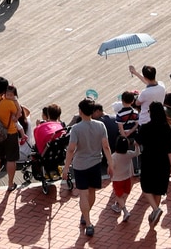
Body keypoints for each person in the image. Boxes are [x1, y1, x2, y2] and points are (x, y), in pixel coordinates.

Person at [65, 97, 114, 238]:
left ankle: (88, 222)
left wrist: (66, 167)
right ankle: (86, 215)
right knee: (92, 192)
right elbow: (106, 146)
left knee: (83, 193)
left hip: (80, 165)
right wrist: (110, 164)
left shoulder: (76, 128)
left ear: (80, 111)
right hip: (96, 163)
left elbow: (71, 149)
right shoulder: (100, 126)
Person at [136, 97, 171, 228]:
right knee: (158, 189)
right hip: (163, 162)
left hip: (148, 160)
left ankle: (156, 209)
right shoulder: (168, 129)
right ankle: (155, 210)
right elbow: (170, 149)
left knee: (146, 187)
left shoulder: (145, 128)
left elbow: (138, 141)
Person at [0, 76, 23, 190]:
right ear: (4, 89)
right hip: (10, 132)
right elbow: (19, 113)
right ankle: (10, 184)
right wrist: (15, 99)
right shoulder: (8, 102)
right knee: (11, 159)